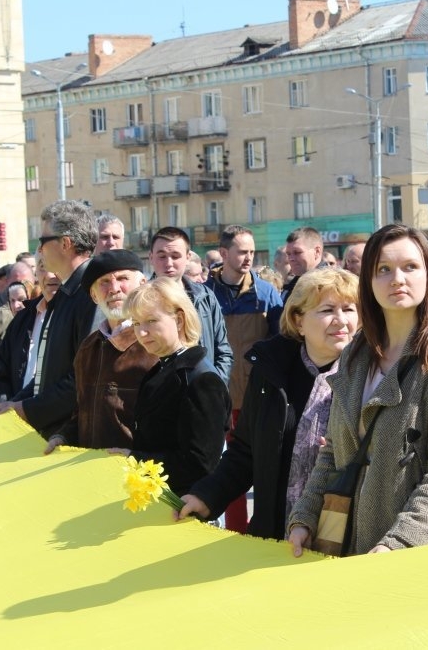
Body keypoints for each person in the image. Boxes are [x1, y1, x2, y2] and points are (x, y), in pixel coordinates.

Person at [288, 224, 428, 556]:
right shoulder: (355, 354)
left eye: (410, 267)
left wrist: (397, 542)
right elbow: (333, 452)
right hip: (355, 544)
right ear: (369, 281)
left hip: (426, 549)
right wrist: (305, 516)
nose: (397, 279)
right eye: (384, 269)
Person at [180, 268, 358, 539]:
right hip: (275, 533)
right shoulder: (271, 370)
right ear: (298, 320)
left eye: (349, 309)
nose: (341, 320)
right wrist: (206, 496)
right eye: (327, 310)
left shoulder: (369, 376)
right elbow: (245, 452)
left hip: (344, 539)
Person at [111, 278, 231, 496]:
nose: (142, 332)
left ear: (179, 320)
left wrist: (135, 459)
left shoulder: (202, 380)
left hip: (184, 504)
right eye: (136, 323)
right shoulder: (162, 368)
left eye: (151, 321)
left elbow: (201, 464)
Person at [0, 200, 98, 438]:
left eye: (43, 240)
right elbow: (47, 375)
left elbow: (84, 379)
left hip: (75, 437)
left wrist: (27, 409)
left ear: (65, 243)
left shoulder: (92, 293)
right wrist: (16, 404)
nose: (39, 249)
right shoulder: (66, 293)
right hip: (53, 431)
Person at [203, 225, 283, 532]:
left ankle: (261, 529)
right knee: (227, 470)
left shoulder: (267, 294)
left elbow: (280, 342)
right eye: (242, 252)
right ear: (224, 253)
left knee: (262, 469)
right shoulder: (205, 294)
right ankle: (234, 532)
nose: (249, 258)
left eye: (251, 252)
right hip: (219, 398)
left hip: (256, 398)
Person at [43, 250, 158, 454]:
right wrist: (64, 436)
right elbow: (83, 412)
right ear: (94, 296)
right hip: (90, 467)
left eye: (122, 279)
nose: (114, 288)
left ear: (142, 284)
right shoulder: (88, 348)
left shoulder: (155, 344)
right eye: (104, 282)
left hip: (138, 470)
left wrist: (139, 457)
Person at [148, 227, 233, 383]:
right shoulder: (140, 301)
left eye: (175, 256)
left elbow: (223, 351)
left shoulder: (205, 297)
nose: (169, 263)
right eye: (162, 256)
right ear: (151, 257)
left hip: (204, 389)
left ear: (187, 258)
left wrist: (215, 385)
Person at [0, 258, 59, 404]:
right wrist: (5, 403)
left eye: (55, 266)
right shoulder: (22, 319)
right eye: (43, 267)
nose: (50, 275)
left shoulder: (75, 314)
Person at [0, 261, 36, 364]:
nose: (20, 286)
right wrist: (9, 307)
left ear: (33, 281)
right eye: (16, 282)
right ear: (7, 282)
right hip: (4, 366)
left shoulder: (40, 302)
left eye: (25, 282)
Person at [281, 227, 327, 301]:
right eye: (288, 254)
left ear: (317, 252)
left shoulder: (331, 285)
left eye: (297, 252)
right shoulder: (292, 286)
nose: (291, 258)